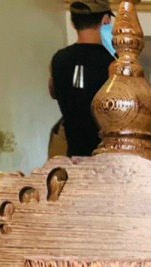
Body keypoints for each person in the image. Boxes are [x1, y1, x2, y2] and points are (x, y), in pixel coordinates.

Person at [50, 0, 116, 157]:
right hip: (106, 156)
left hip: (72, 155)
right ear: (106, 20)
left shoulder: (58, 59)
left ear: (73, 23)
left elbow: (53, 92)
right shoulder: (114, 63)